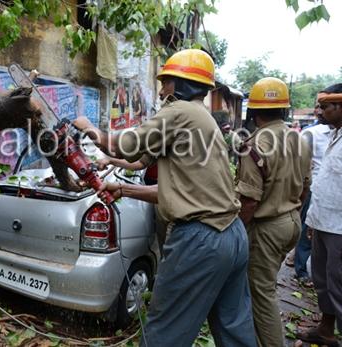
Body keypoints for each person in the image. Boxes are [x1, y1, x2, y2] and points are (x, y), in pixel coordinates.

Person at [74, 49, 256, 347]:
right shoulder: (203, 120)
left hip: (201, 240)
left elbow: (128, 146)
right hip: (232, 236)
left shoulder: (179, 111)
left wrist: (90, 130)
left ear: (181, 84)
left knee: (163, 334)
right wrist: (124, 188)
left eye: (166, 82)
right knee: (234, 329)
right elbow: (167, 180)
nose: (161, 91)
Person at [235, 77, 312, 347]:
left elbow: (249, 203)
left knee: (261, 294)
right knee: (265, 286)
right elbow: (305, 188)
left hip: (267, 227)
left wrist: (237, 233)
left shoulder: (254, 145)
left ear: (254, 113)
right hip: (292, 222)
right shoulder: (299, 139)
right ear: (284, 110)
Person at [295, 83, 342, 347]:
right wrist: (313, 222)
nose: (319, 112)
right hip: (325, 222)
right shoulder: (334, 135)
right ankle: (326, 330)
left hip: (340, 229)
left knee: (339, 288)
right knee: (323, 282)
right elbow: (327, 183)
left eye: (325, 107)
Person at [292, 100, 330, 287]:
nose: (319, 112)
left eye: (324, 107)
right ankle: (301, 270)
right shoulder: (311, 134)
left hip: (334, 196)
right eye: (318, 107)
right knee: (307, 231)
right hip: (314, 190)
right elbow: (295, 157)